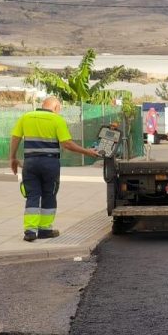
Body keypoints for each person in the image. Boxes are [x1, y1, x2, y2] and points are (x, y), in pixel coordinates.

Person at [9, 97, 101, 242]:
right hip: (49, 163)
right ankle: (45, 230)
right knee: (49, 194)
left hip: (30, 163)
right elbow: (67, 144)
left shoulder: (26, 117)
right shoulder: (57, 120)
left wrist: (12, 158)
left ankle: (30, 231)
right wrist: (87, 152)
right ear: (56, 107)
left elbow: (15, 138)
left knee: (32, 195)